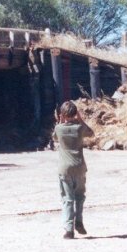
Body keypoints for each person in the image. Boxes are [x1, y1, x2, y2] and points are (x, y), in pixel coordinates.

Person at [52, 100, 94, 239]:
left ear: (62, 115)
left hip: (65, 168)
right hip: (80, 166)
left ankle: (69, 229)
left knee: (67, 199)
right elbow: (91, 133)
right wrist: (81, 120)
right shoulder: (79, 128)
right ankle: (79, 222)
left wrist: (59, 121)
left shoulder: (59, 129)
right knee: (80, 197)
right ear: (75, 113)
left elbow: (55, 137)